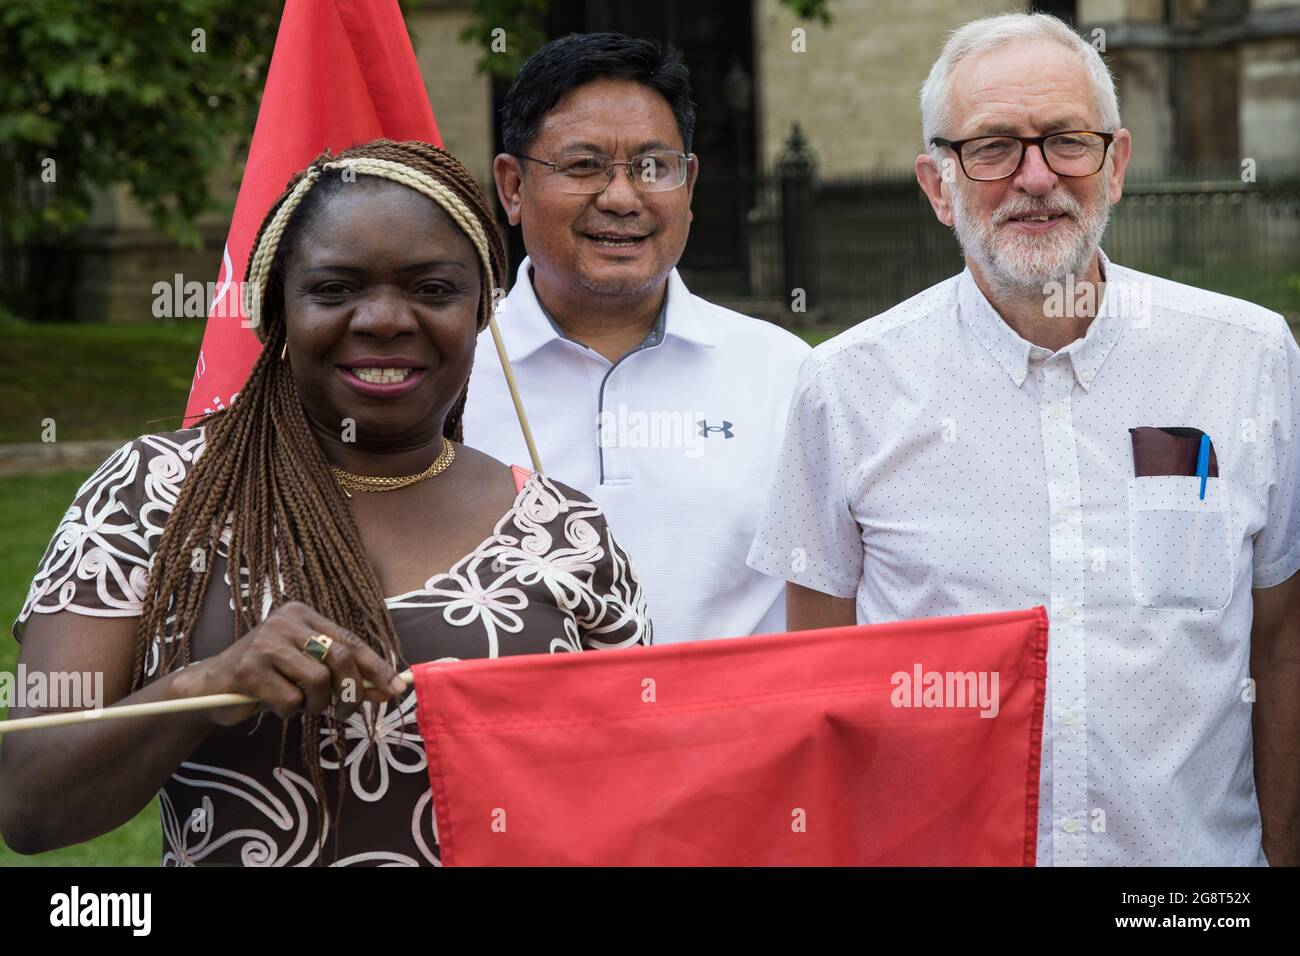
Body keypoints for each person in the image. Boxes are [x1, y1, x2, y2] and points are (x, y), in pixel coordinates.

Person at [0, 139, 651, 866]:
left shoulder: (565, 531)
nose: (382, 320)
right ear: (278, 310)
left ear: (480, 312)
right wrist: (208, 682)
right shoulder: (151, 493)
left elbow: (639, 801)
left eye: (433, 289)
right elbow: (29, 801)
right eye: (335, 289)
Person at [747, 12, 1299, 866]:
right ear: (938, 185)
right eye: (994, 147)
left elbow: (1281, 642)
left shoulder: (1249, 360)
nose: (1036, 177)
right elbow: (820, 681)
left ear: (1114, 165)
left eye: (1066, 142)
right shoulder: (846, 386)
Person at [463, 33, 810, 645]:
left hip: (732, 738)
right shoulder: (452, 375)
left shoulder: (787, 375)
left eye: (654, 168)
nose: (622, 198)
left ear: (690, 184)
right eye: (583, 166)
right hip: (514, 738)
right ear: (512, 186)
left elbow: (833, 605)